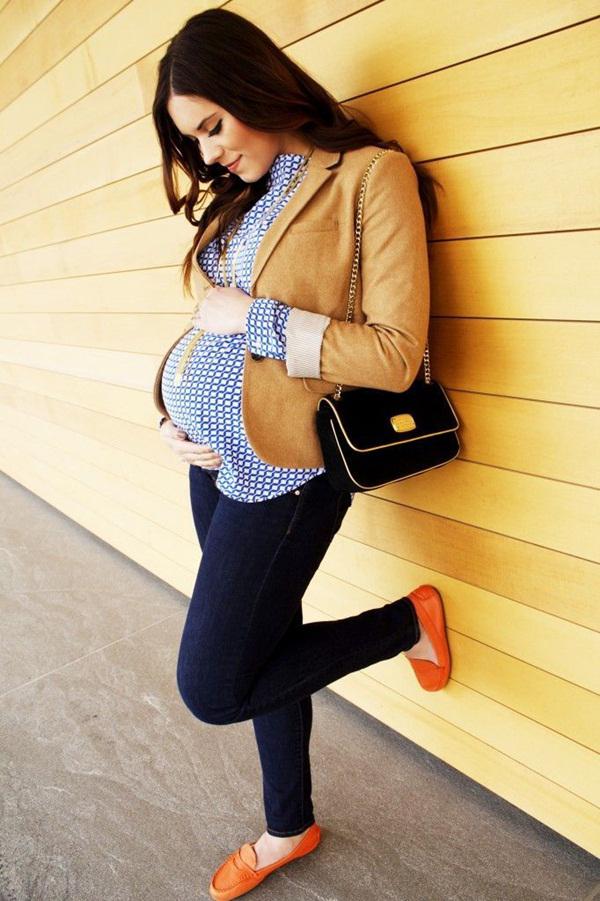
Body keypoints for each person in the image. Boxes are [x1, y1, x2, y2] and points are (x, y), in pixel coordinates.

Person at [151, 8, 451, 900]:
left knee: (214, 683)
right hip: (217, 465)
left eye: (212, 125)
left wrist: (261, 320)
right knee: (264, 646)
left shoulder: (369, 175)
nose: (207, 156)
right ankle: (290, 824)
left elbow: (397, 353)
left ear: (255, 87)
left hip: (290, 471)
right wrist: (168, 407)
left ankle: (407, 622)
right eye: (191, 138)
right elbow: (208, 329)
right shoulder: (239, 199)